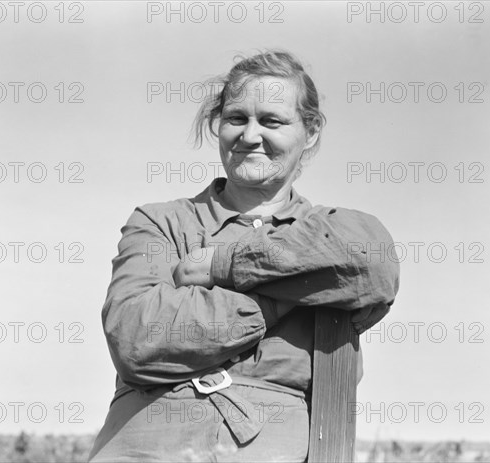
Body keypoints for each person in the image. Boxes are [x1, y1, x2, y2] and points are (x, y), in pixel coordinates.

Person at [89, 50, 400, 462]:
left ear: (309, 132)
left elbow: (373, 262)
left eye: (272, 121)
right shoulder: (161, 223)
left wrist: (221, 266)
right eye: (237, 118)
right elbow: (136, 338)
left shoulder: (333, 230)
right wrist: (281, 294)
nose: (250, 135)